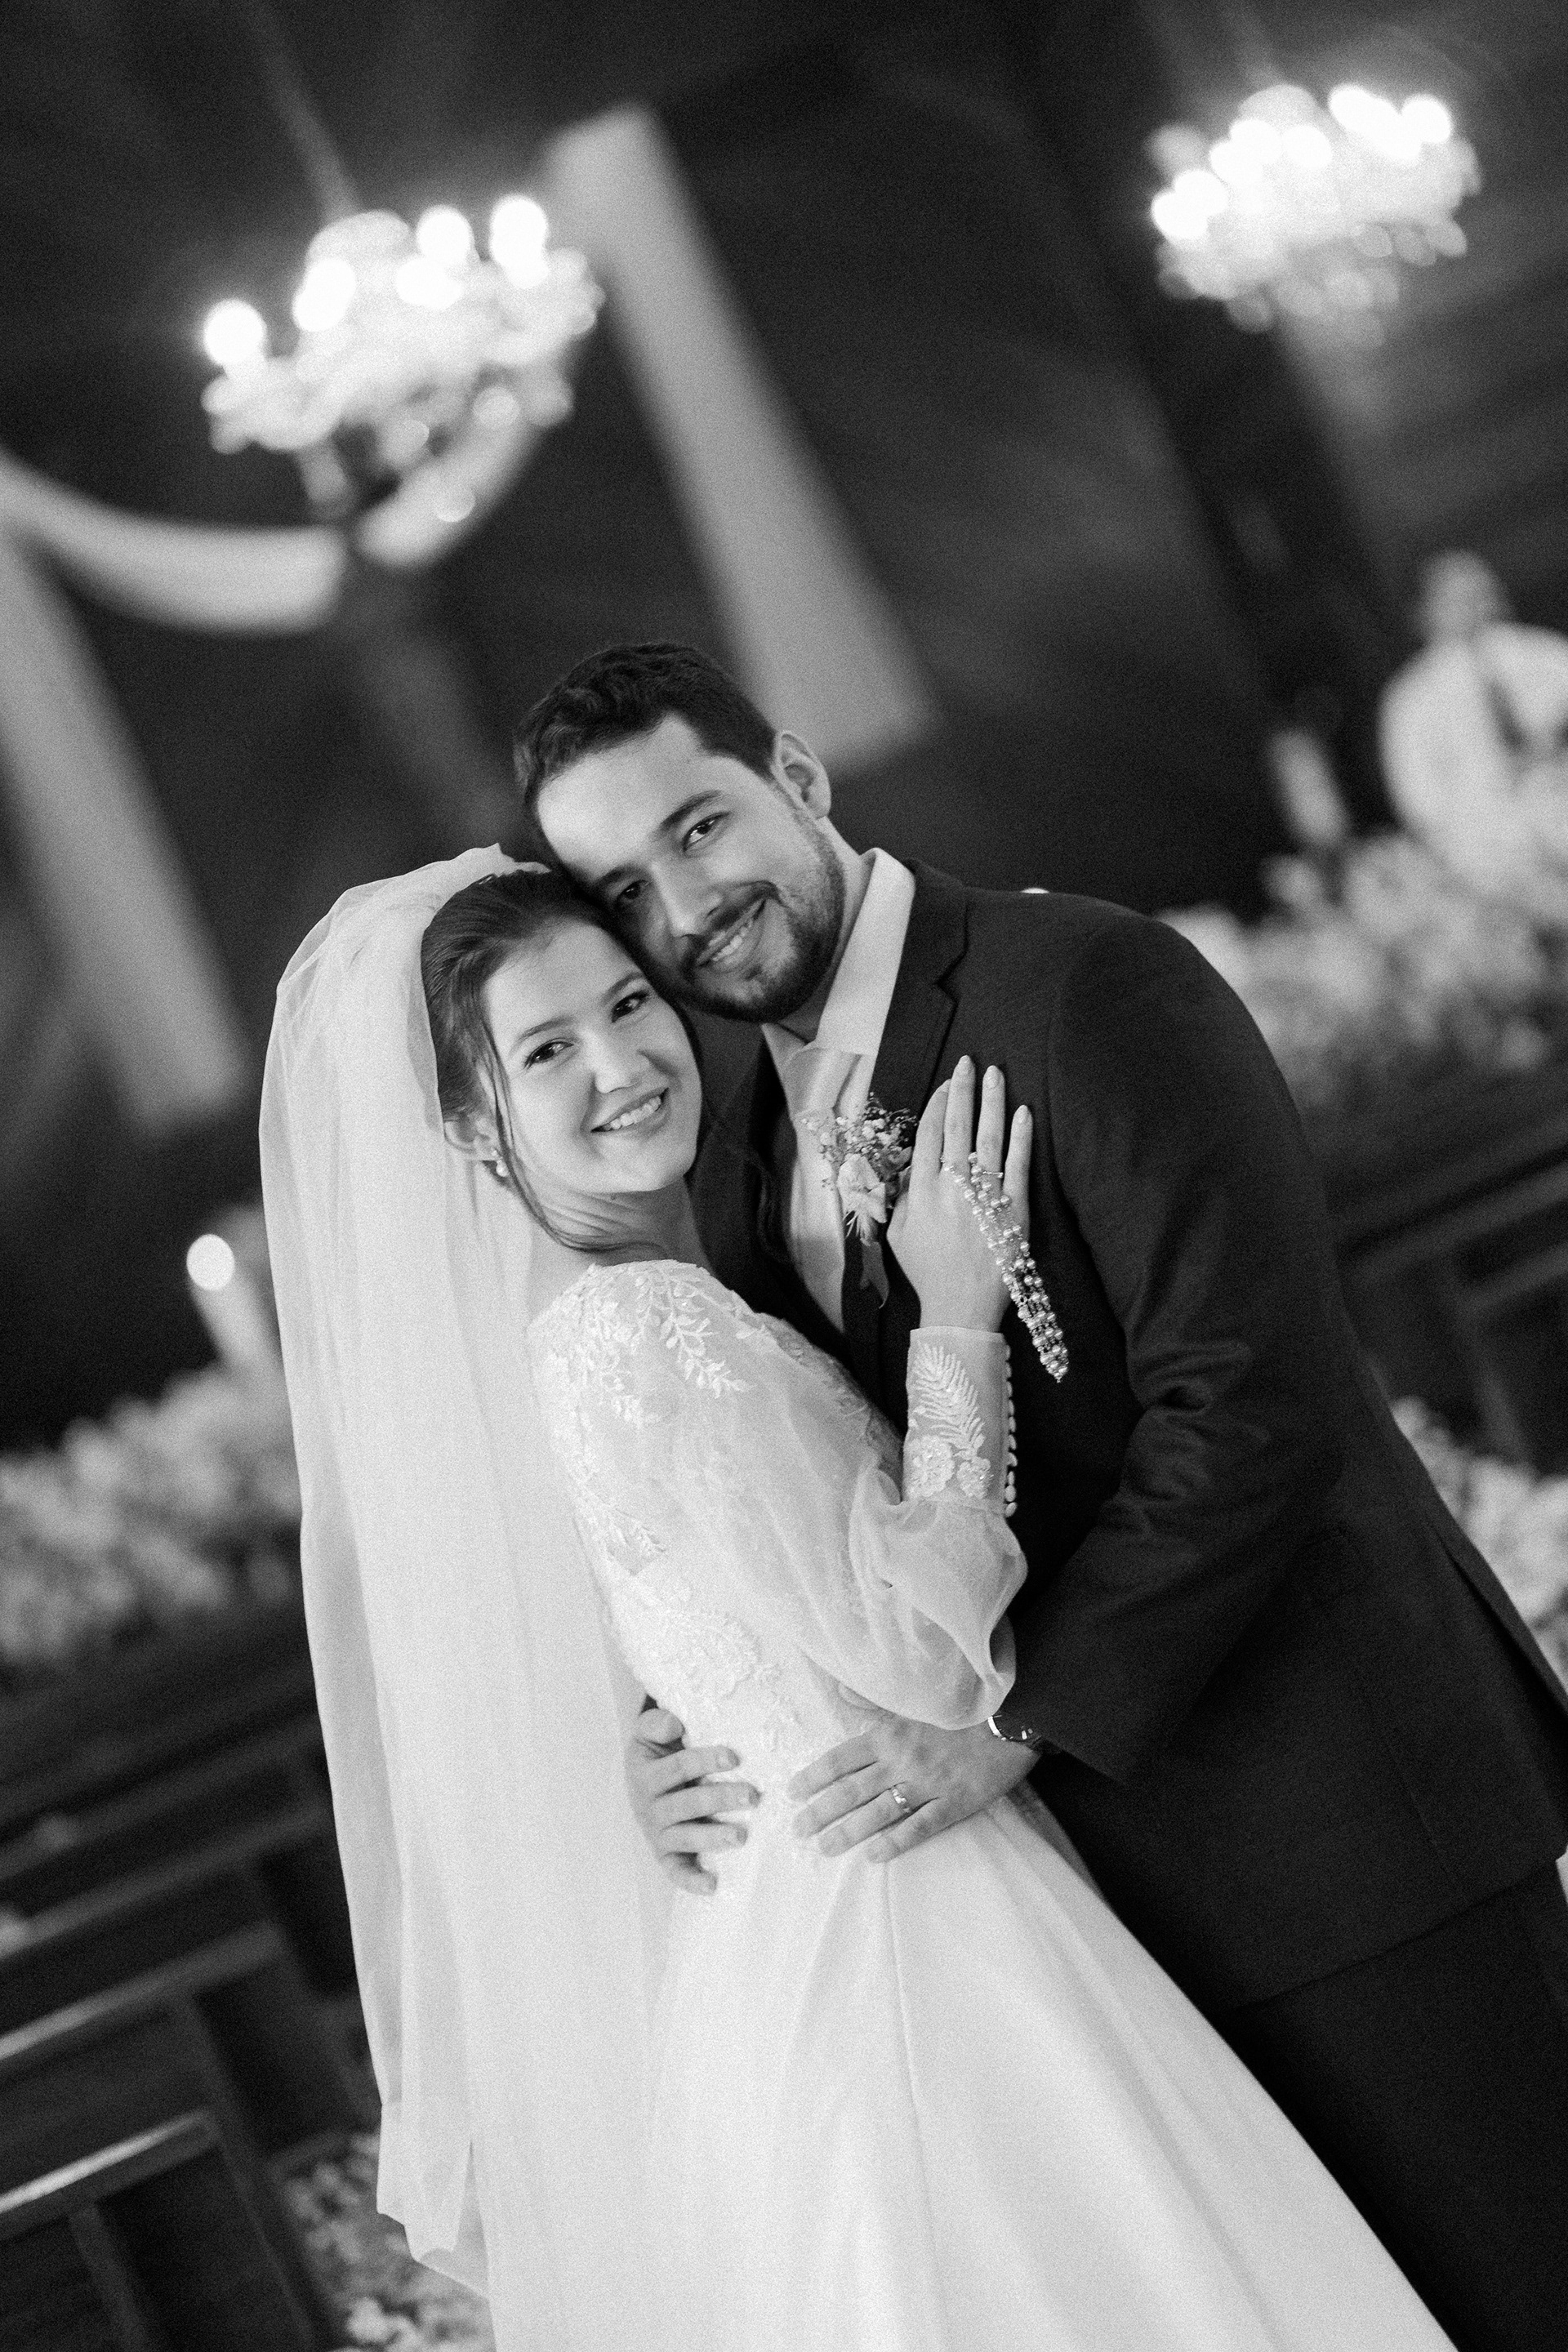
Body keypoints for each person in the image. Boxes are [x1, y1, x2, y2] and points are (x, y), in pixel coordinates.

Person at [516, 639, 1568, 2352]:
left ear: (799, 778)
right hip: (1097, 1941)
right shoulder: (729, 1143)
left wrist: (1022, 1724)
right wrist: (679, 1735)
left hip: (1344, 1835)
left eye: (699, 827)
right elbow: (794, 1507)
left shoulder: (1083, 985)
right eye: (625, 889)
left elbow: (1256, 1402)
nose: (685, 905)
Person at [262, 851, 1453, 2352]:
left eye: (627, 1004)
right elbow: (927, 1666)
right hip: (900, 1917)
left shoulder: (584, 1330)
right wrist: (955, 1316)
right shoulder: (652, 1328)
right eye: (546, 1050)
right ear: (468, 1123)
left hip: (789, 1920)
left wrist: (659, 1735)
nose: (621, 1064)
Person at [1379, 549, 1568, 920]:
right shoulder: (1413, 700)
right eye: (1459, 598)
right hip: (1494, 859)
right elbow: (1421, 803)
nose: (1475, 606)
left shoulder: (1546, 655)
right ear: (1428, 611)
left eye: (1481, 592)